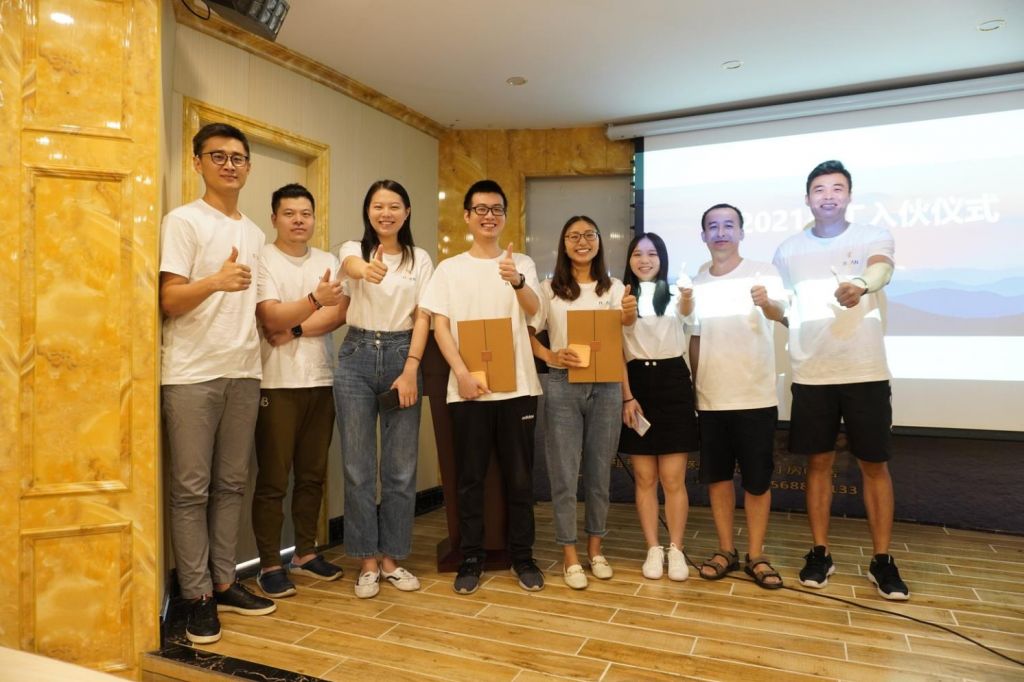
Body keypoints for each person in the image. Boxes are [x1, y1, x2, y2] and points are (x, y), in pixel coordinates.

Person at [159, 122, 275, 645]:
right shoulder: (183, 221)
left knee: (231, 485)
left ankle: (225, 582)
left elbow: (258, 309)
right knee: (190, 490)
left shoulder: (254, 233)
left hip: (244, 371)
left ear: (248, 167)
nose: (230, 165)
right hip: (191, 373)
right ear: (198, 162)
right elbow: (169, 300)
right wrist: (215, 282)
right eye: (218, 156)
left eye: (238, 157)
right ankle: (196, 596)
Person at [772, 160, 909, 600]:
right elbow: (785, 309)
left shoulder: (871, 235)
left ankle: (882, 559)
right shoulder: (787, 251)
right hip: (812, 373)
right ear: (807, 198)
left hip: (865, 371)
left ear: (849, 195)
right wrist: (770, 309)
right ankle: (820, 552)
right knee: (818, 464)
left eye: (836, 188)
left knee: (874, 465)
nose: (828, 195)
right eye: (819, 189)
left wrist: (861, 285)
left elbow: (882, 268)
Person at [419, 179, 546, 595]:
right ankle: (471, 556)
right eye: (481, 209)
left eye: (497, 209)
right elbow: (440, 326)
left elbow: (536, 315)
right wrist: (461, 373)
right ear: (468, 216)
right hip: (468, 389)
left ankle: (523, 556)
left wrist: (517, 282)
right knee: (470, 478)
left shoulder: (521, 262)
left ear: (505, 216)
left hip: (519, 389)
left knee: (520, 479)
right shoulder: (449, 269)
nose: (489, 216)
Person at [334, 180, 434, 599]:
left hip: (401, 355)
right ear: (368, 211)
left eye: (394, 206)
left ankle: (391, 558)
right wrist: (366, 270)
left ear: (407, 212)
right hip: (356, 356)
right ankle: (366, 561)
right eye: (378, 206)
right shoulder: (352, 249)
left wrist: (411, 369)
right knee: (357, 468)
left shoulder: (419, 259)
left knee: (400, 469)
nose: (386, 213)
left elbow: (424, 316)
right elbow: (352, 268)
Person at [251, 183, 348, 599]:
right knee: (274, 479)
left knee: (312, 475)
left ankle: (305, 553)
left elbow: (339, 312)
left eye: (305, 214)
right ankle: (269, 564)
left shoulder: (328, 260)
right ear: (274, 218)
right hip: (276, 382)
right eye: (289, 213)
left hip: (321, 380)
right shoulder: (262, 258)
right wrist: (311, 302)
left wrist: (294, 329)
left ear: (314, 218)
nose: (298, 221)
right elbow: (269, 316)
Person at [531, 216, 637, 589]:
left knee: (598, 472)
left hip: (606, 385)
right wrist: (550, 356)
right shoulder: (548, 289)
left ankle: (595, 549)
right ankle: (570, 555)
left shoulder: (615, 287)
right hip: (563, 385)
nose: (582, 241)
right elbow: (526, 332)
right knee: (563, 473)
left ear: (599, 241)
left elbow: (622, 339)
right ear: (563, 244)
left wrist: (628, 316)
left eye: (589, 235)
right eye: (573, 236)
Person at [689, 204, 786, 589]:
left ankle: (756, 554)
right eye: (713, 227)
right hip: (712, 398)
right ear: (703, 236)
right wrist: (695, 388)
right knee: (717, 479)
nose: (721, 232)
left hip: (755, 396)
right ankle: (726, 549)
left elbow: (782, 314)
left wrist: (767, 303)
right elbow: (696, 338)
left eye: (729, 225)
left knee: (757, 481)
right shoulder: (698, 281)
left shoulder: (763, 272)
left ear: (742, 232)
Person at [620, 232, 699, 581]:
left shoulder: (677, 293)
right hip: (637, 384)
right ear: (629, 260)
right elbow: (616, 349)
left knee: (672, 478)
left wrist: (687, 296)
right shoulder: (620, 295)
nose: (645, 260)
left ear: (662, 259)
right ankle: (653, 548)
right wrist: (626, 396)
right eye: (638, 254)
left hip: (673, 382)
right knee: (644, 477)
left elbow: (686, 312)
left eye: (652, 254)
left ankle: (676, 548)